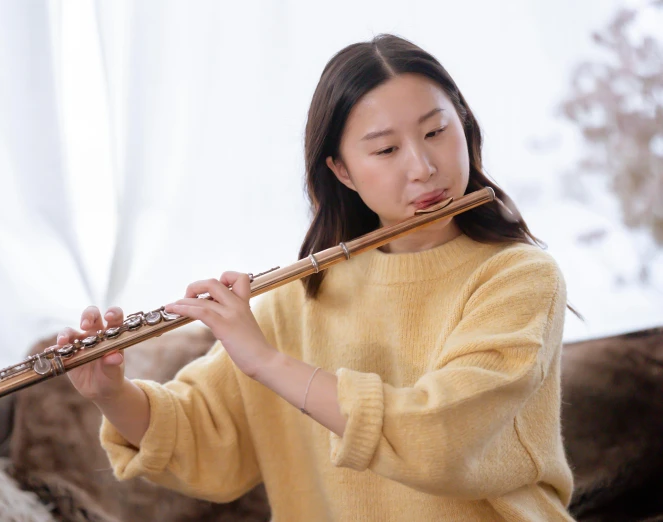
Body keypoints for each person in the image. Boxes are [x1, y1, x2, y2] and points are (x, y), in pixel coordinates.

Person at [58, 34, 575, 521]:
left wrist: (264, 360)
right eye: (386, 149)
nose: (422, 167)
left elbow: (439, 439)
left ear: (464, 124)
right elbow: (205, 441)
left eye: (436, 132)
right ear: (343, 171)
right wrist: (111, 391)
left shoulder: (518, 277)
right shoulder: (298, 297)